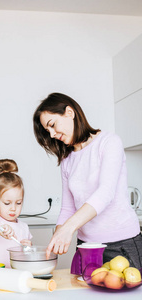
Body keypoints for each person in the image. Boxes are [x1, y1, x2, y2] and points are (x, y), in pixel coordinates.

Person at [33, 92, 142, 269]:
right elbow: (68, 208)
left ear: (70, 112)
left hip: (121, 243)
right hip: (86, 246)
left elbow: (105, 193)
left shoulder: (109, 142)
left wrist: (68, 228)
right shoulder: (68, 160)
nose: (52, 134)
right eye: (48, 131)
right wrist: (57, 237)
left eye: (52, 125)